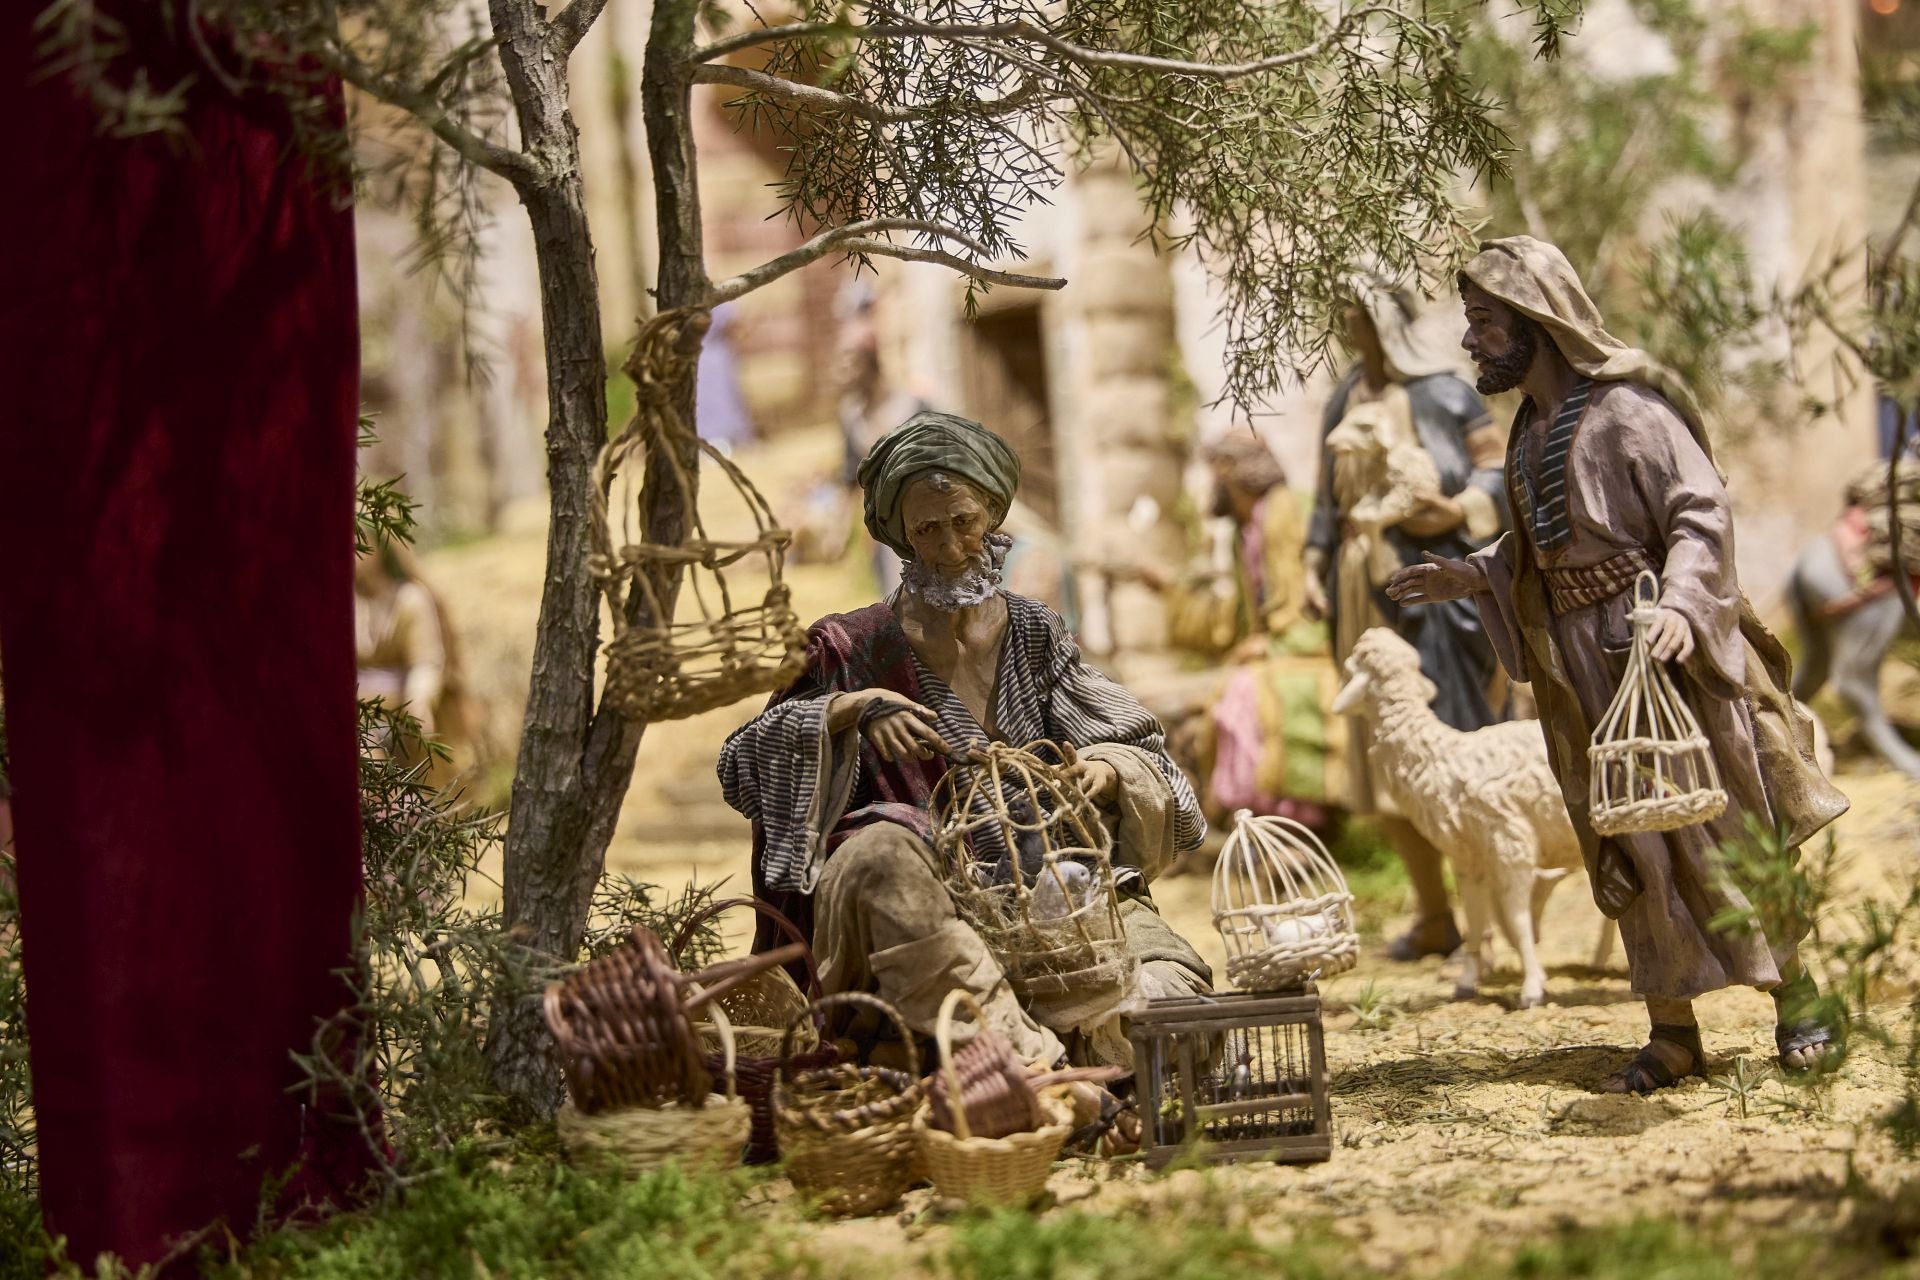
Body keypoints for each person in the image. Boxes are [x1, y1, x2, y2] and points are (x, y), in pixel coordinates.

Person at [1386, 235, 1849, 1093]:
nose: (1470, 341)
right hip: (1583, 672)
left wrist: (1679, 606)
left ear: (1534, 320)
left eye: (1484, 322)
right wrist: (1476, 571)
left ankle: (1800, 996)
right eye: (1471, 323)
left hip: (1664, 656)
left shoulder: (1631, 412)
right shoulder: (1527, 434)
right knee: (1631, 839)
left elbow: (1699, 514)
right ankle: (1672, 1029)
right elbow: (1539, 550)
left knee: (1720, 826)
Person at [719, 411, 1212, 1075]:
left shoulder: (1035, 635)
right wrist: (848, 712)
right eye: (928, 529)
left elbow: (1143, 750)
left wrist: (1105, 767)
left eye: (965, 522)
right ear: (901, 537)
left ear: (992, 515)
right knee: (883, 858)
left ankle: (1091, 1058)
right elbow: (741, 765)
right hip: (922, 911)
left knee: (1169, 999)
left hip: (1049, 893)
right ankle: (1041, 1073)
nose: (951, 547)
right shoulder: (852, 647)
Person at [1304, 271, 1508, 962]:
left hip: (1435, 590)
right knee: (1385, 752)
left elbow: (1497, 467)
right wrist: (1312, 561)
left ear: (1386, 319)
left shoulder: (1447, 391)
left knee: (1451, 743)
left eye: (1359, 313)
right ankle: (1431, 913)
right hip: (1363, 589)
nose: (1350, 325)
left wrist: (1459, 511)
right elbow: (1325, 499)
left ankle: (1486, 918)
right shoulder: (1343, 399)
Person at [354, 539, 476, 784]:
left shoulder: (409, 599)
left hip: (398, 717)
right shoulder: (340, 602)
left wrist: (419, 699)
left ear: (378, 548)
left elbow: (426, 662)